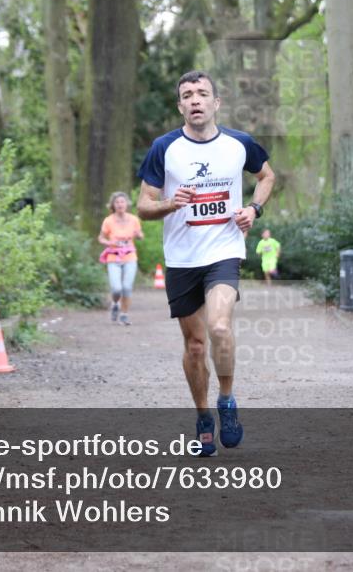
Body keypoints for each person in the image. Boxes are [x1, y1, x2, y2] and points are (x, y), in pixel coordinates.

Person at [137, 70, 275, 456]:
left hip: (224, 251)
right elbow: (143, 206)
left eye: (202, 93)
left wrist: (254, 208)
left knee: (218, 326)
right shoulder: (164, 148)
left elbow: (267, 176)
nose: (195, 99)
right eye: (187, 95)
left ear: (216, 103)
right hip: (182, 258)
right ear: (180, 106)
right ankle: (202, 418)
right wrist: (170, 203)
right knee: (195, 346)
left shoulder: (238, 143)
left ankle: (226, 401)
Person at [98, 191, 144, 325]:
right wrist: (110, 243)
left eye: (122, 202)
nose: (120, 204)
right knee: (117, 288)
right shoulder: (108, 221)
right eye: (117, 202)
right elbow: (100, 238)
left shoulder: (134, 219)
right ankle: (115, 303)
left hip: (130, 256)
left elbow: (140, 234)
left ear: (127, 204)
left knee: (127, 287)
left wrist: (139, 235)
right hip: (114, 257)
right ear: (113, 205)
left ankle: (124, 314)